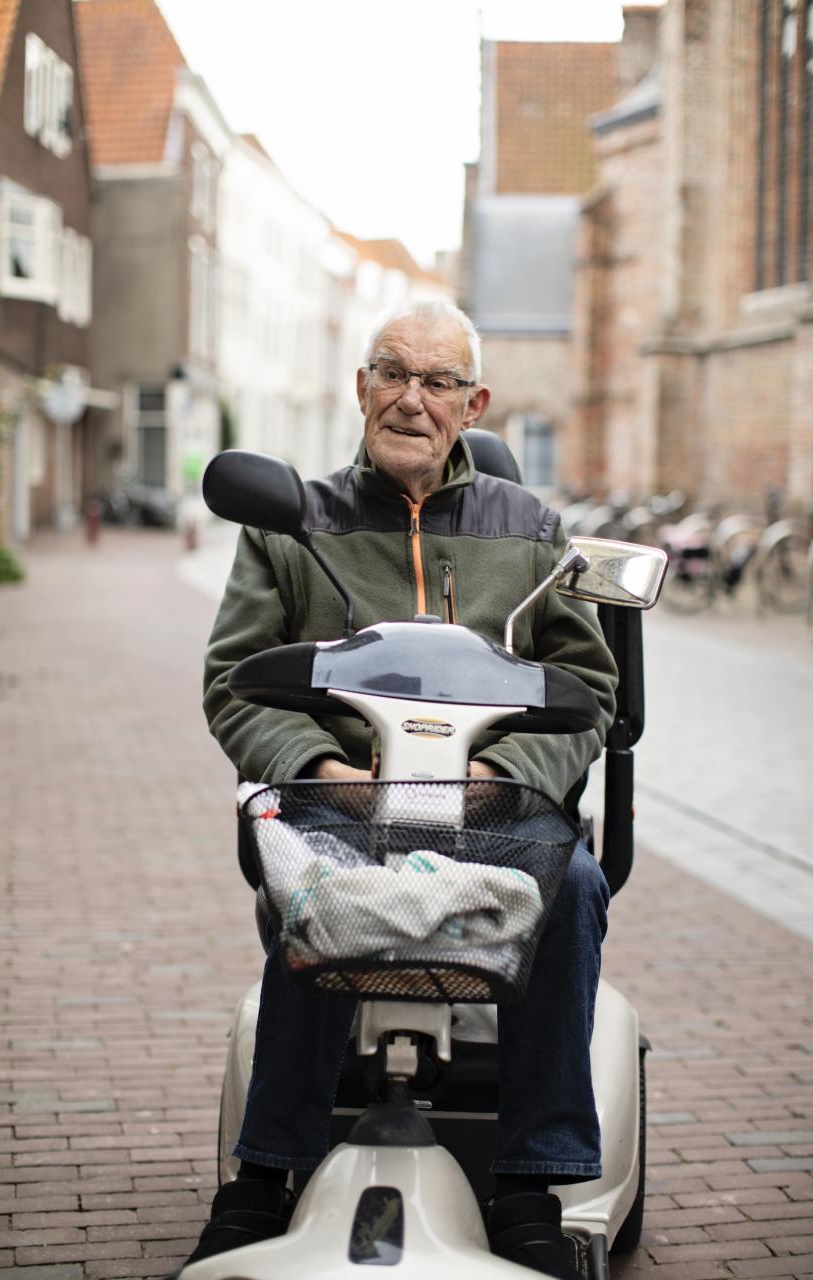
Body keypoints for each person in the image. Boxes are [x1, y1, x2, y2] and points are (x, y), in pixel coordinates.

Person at [181, 301, 618, 1280]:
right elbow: (232, 678)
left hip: (490, 805)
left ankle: (531, 1177)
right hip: (335, 799)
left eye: (435, 382)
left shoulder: (532, 528)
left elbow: (586, 691)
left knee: (577, 887)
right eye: (391, 373)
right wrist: (321, 768)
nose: (409, 400)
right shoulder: (293, 522)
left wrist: (504, 775)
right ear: (360, 386)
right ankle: (266, 1167)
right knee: (314, 878)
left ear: (474, 403)